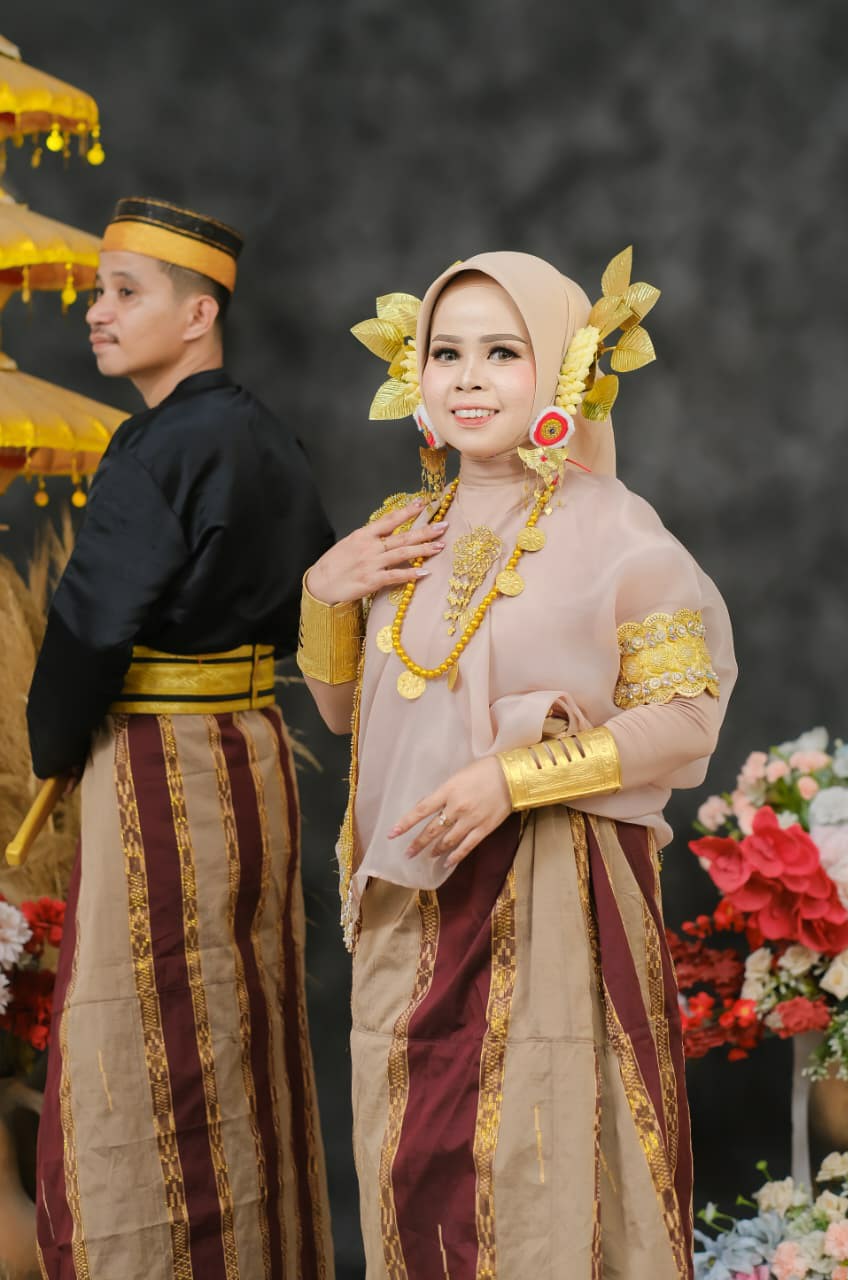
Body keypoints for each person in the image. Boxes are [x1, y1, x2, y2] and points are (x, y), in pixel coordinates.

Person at [297, 249, 736, 1280]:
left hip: (553, 894)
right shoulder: (400, 532)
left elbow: (686, 719)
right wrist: (324, 595)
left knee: (542, 1163)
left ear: (563, 370)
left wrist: (513, 777)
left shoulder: (615, 532)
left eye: (502, 352)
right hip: (412, 907)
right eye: (445, 352)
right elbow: (350, 717)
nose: (468, 378)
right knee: (417, 1169)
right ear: (413, 373)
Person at [27, 197, 336, 1278]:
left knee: (146, 1032)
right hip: (257, 752)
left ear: (199, 314)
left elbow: (90, 627)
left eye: (126, 292)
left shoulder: (157, 445)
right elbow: (317, 598)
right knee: (245, 1023)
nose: (97, 313)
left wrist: (53, 744)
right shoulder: (268, 437)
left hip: (158, 766)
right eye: (97, 292)